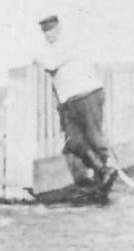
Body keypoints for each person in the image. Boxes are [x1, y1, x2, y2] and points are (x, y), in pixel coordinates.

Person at [33, 15, 117, 198]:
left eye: (51, 30)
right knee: (73, 140)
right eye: (45, 32)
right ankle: (102, 171)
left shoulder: (68, 43)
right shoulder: (52, 48)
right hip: (70, 100)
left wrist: (39, 60)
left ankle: (102, 179)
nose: (48, 35)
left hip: (87, 94)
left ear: (59, 28)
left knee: (94, 137)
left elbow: (49, 63)